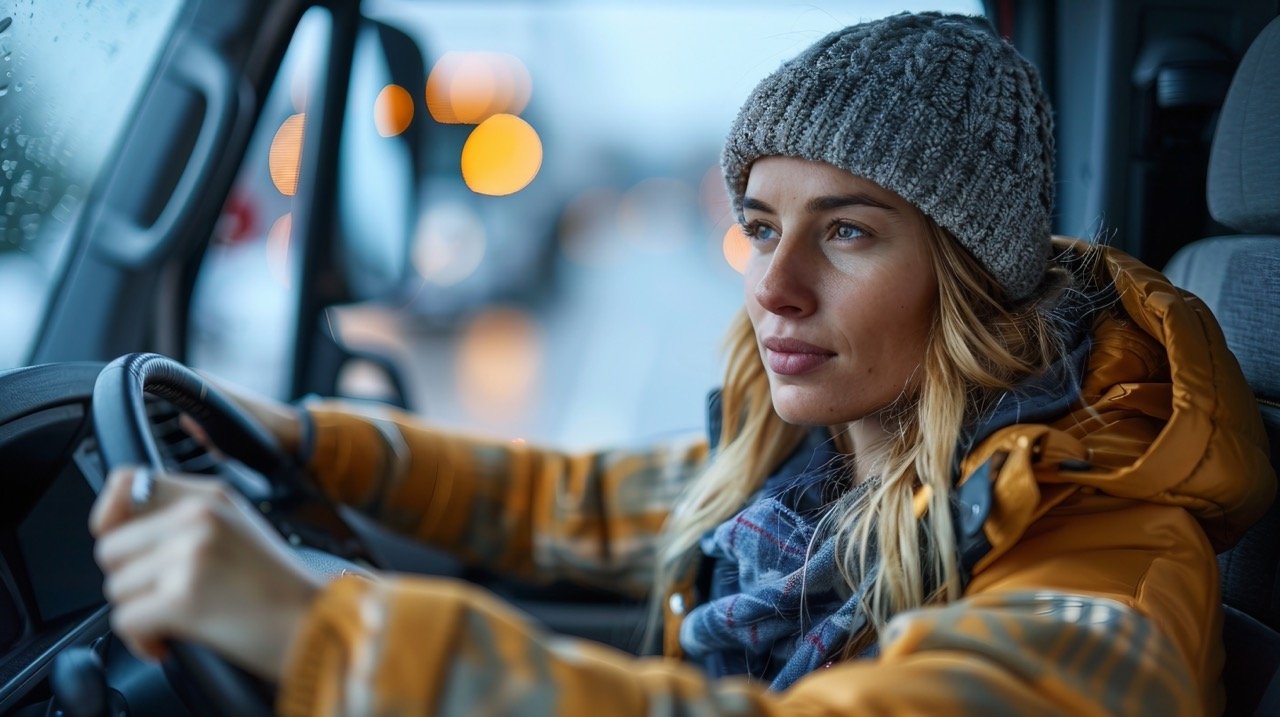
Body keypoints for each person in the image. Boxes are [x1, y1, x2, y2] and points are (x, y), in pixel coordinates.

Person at [89, 12, 1275, 716]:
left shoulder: (1112, 567)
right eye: (762, 224)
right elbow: (555, 503)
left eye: (846, 230)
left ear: (968, 273)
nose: (772, 284)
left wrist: (323, 634)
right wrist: (294, 439)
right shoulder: (816, 471)